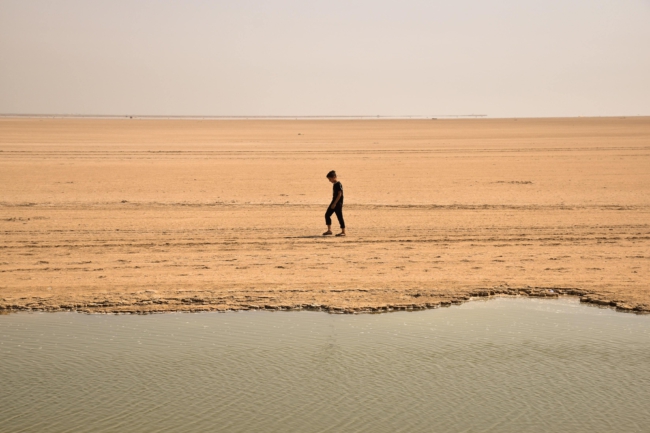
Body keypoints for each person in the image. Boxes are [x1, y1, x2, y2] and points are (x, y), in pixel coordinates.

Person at [323, 170, 346, 236]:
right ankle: (329, 230)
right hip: (334, 202)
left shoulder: (338, 184)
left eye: (330, 179)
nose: (329, 180)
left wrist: (334, 203)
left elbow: (339, 194)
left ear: (334, 177)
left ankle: (343, 231)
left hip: (338, 203)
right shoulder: (335, 184)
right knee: (327, 214)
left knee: (339, 217)